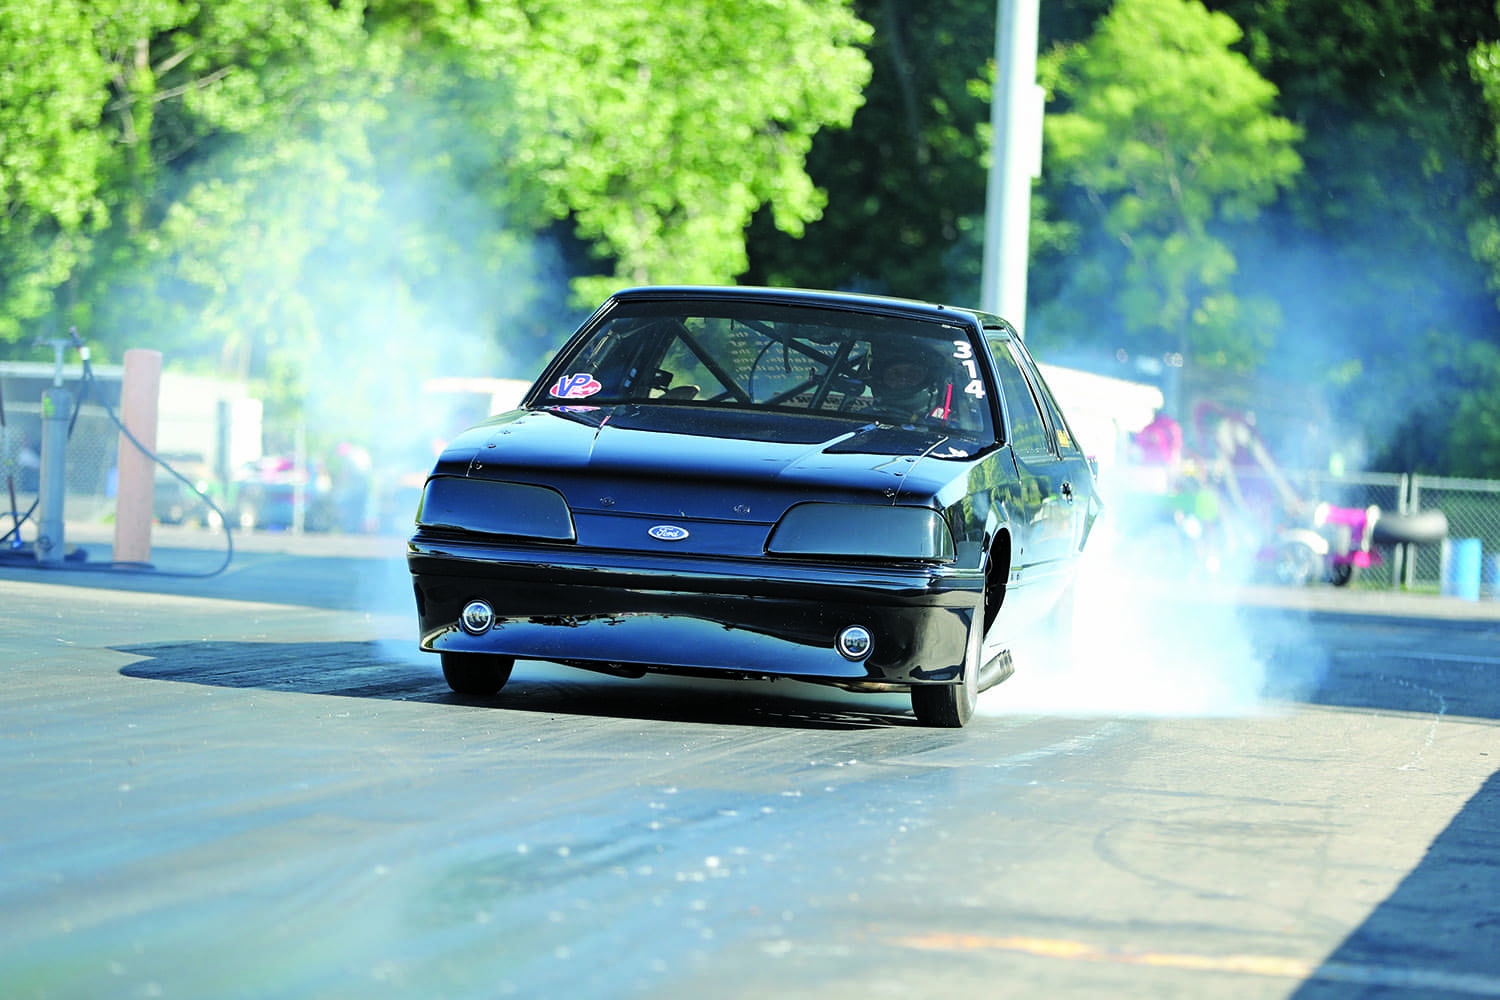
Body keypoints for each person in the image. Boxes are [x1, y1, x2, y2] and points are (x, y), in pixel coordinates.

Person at [867, 340, 945, 423]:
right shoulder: (864, 418)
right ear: (882, 378)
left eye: (913, 373)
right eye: (895, 374)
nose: (903, 379)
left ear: (927, 377)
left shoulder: (946, 423)